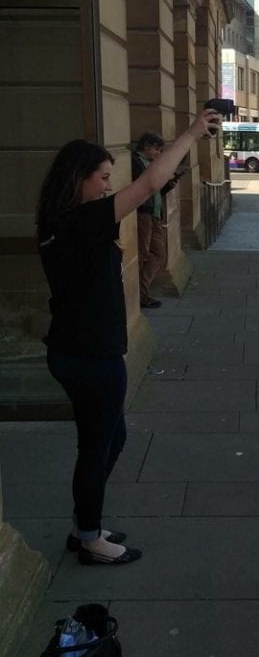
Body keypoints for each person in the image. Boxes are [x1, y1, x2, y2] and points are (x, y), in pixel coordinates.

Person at [36, 108, 220, 565]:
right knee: (99, 445)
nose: (106, 185)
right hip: (92, 356)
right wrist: (194, 133)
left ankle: (86, 525)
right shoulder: (82, 221)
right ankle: (91, 538)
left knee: (108, 440)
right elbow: (149, 184)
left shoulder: (60, 223)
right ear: (77, 178)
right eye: (100, 176)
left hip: (76, 351)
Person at [131, 132, 178, 309]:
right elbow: (141, 190)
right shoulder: (135, 162)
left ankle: (141, 291)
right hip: (143, 214)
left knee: (158, 254)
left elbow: (153, 191)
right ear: (147, 146)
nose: (158, 153)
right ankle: (139, 295)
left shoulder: (150, 164)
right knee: (143, 253)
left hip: (156, 214)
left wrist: (167, 186)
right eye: (156, 149)